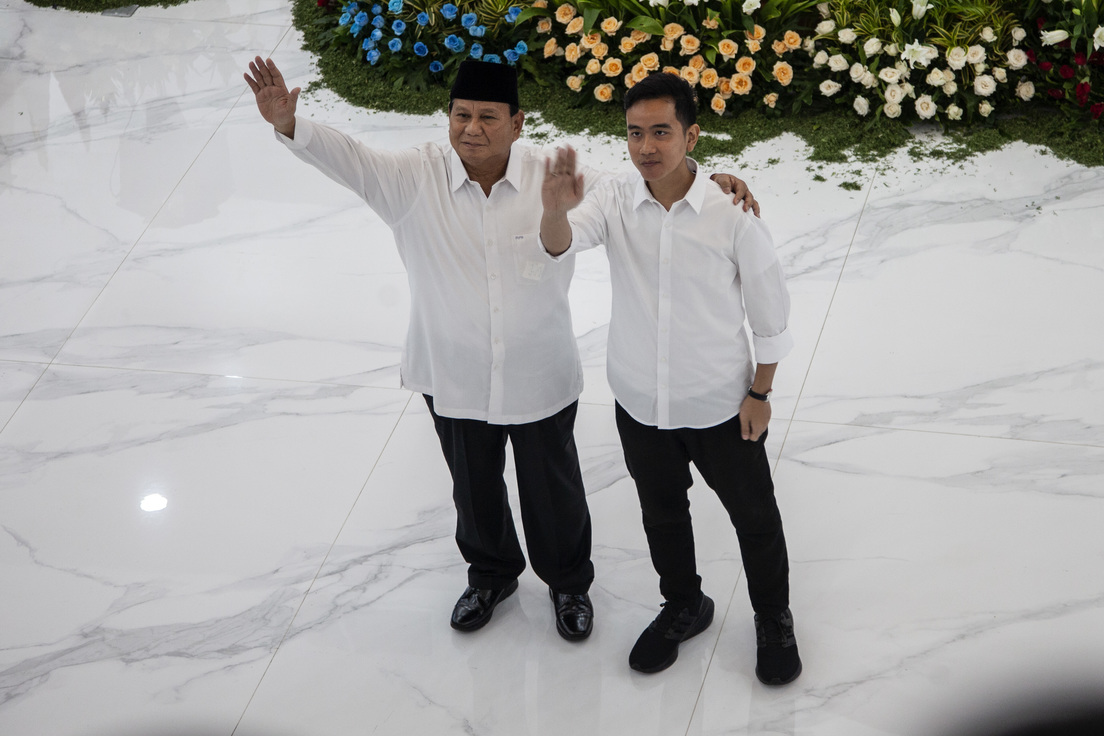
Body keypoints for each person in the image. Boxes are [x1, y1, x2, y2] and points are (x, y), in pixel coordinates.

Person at [243, 57, 757, 642]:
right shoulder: (412, 177)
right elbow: (351, 158)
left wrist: (713, 181)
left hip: (538, 373)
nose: (472, 129)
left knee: (553, 492)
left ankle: (568, 583)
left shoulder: (553, 176)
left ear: (517, 123)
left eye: (488, 117)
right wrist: (290, 125)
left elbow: (640, 182)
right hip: (452, 372)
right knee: (473, 488)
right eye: (461, 115)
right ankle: (490, 575)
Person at [539, 72, 800, 684]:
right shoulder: (613, 198)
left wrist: (760, 393)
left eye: (661, 132)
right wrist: (553, 210)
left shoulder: (731, 212)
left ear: (692, 135)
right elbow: (559, 247)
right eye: (635, 133)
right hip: (639, 401)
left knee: (755, 519)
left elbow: (770, 314)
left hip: (720, 402)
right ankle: (684, 604)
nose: (646, 147)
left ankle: (773, 617)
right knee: (661, 514)